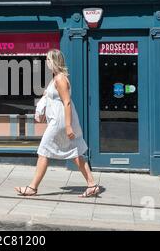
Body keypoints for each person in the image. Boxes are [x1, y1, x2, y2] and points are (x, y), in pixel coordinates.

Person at [14, 49, 100, 198]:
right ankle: (92, 185)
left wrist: (68, 126)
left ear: (54, 61)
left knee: (43, 151)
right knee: (75, 152)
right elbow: (49, 98)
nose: (46, 62)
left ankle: (32, 188)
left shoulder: (60, 79)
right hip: (57, 120)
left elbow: (66, 102)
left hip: (59, 122)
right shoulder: (56, 78)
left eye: (47, 59)